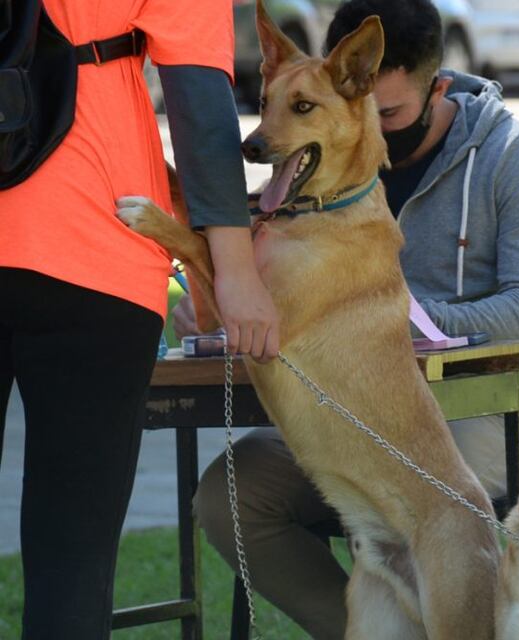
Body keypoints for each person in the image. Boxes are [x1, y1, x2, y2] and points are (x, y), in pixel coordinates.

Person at [189, 0, 519, 637]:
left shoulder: (516, 158)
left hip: (478, 412)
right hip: (353, 410)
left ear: (438, 85)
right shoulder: (305, 166)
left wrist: (405, 318)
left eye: (388, 112)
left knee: (447, 515)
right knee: (231, 494)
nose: (372, 127)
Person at [0, 1, 279, 637]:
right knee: (70, 562)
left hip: (79, 248)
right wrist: (232, 273)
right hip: (91, 247)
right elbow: (199, 100)